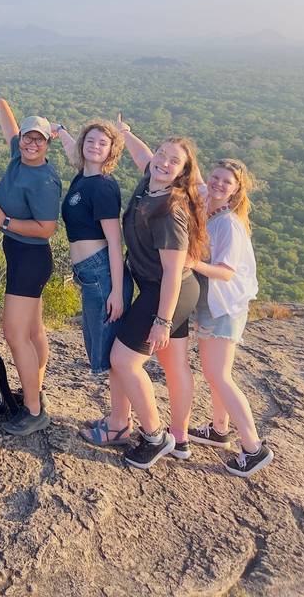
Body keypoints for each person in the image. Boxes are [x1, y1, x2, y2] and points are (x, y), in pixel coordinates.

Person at [110, 116, 207, 469]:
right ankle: (179, 438)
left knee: (124, 360)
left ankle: (155, 435)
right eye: (162, 154)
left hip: (168, 291)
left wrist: (162, 321)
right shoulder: (151, 183)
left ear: (182, 172)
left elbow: (171, 273)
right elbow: (144, 157)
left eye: (173, 161)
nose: (163, 162)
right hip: (170, 289)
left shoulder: (169, 210)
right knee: (174, 364)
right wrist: (126, 134)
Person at [187, 158, 274, 477]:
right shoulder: (208, 203)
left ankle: (253, 448)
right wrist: (127, 136)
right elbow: (192, 173)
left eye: (227, 182)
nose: (218, 184)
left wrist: (191, 262)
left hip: (225, 307)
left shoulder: (228, 224)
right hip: (213, 305)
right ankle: (219, 429)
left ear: (237, 190)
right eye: (216, 177)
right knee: (215, 374)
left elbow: (225, 272)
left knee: (219, 375)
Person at [0, 98, 62, 436]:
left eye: (38, 139)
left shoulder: (43, 180)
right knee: (32, 332)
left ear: (48, 143)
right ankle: (35, 390)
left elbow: (47, 228)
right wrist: (3, 105)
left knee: (14, 334)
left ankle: (33, 410)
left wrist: (4, 221)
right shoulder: (19, 155)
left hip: (31, 258)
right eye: (28, 137)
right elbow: (10, 132)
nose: (31, 143)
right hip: (19, 254)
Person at [51, 119, 134, 447]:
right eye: (90, 140)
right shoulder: (82, 177)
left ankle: (119, 424)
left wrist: (116, 292)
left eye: (103, 143)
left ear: (112, 151)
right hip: (91, 276)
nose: (95, 146)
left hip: (103, 276)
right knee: (107, 352)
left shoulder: (102, 186)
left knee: (113, 357)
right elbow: (73, 150)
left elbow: (115, 241)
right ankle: (118, 418)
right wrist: (60, 130)